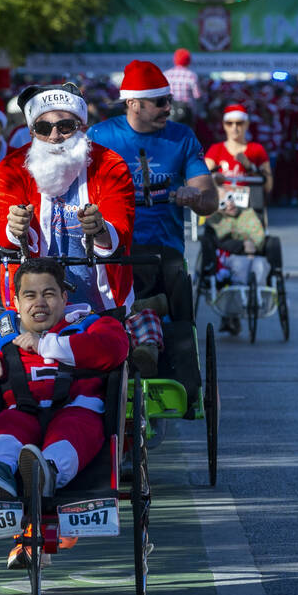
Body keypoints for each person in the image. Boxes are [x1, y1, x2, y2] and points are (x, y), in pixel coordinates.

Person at [0, 258, 129, 568]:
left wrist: (46, 345)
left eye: (49, 294)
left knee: (73, 429)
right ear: (15, 302)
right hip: (21, 412)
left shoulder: (89, 323)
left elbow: (115, 348)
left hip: (77, 410)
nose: (40, 303)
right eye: (30, 295)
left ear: (65, 299)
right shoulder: (0, 334)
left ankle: (46, 473)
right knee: (6, 428)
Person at [88, 61, 218, 379]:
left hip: (163, 251)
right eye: (160, 102)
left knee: (175, 305)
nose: (168, 108)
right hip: (111, 248)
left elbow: (209, 199)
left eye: (169, 100)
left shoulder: (182, 137)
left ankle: (172, 373)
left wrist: (194, 194)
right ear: (133, 103)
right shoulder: (100, 136)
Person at [0, 82, 136, 316]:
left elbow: (121, 233)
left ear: (82, 126)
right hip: (33, 306)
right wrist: (15, 227)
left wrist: (100, 229)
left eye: (65, 126)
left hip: (101, 302)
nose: (54, 136)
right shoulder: (11, 168)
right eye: (43, 128)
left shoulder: (110, 165)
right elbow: (2, 239)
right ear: (32, 132)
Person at [202, 190, 271, 334]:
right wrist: (242, 245)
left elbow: (258, 235)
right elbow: (220, 241)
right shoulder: (215, 221)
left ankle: (257, 297)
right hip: (233, 256)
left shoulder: (248, 214)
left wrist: (250, 245)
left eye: (230, 198)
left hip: (254, 253)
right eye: (223, 203)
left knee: (260, 265)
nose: (229, 204)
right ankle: (234, 310)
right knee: (239, 267)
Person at [204, 102, 273, 197]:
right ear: (224, 125)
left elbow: (268, 186)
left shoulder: (257, 149)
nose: (234, 127)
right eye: (229, 123)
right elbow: (203, 181)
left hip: (250, 206)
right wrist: (214, 177)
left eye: (239, 123)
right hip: (221, 205)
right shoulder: (215, 149)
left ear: (246, 124)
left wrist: (250, 167)